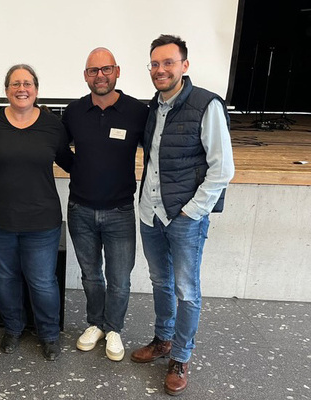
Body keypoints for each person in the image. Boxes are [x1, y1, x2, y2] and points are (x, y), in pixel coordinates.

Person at [131, 34, 235, 396]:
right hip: (151, 214)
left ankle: (181, 356)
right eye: (155, 64)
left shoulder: (206, 105)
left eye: (168, 63)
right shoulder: (153, 107)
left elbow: (222, 169)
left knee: (186, 290)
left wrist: (192, 213)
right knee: (160, 282)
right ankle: (163, 339)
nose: (160, 70)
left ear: (184, 65)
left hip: (184, 218)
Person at [0, 64, 73, 361]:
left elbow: (70, 162)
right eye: (15, 84)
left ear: (36, 89)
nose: (22, 89)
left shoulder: (52, 125)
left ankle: (49, 334)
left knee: (42, 281)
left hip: (41, 222)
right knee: (6, 278)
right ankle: (13, 329)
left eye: (27, 83)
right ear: (6, 90)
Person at [62, 47, 148, 361]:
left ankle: (113, 328)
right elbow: (59, 149)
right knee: (90, 275)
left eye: (106, 69)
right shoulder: (73, 111)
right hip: (80, 209)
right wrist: (80, 169)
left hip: (120, 211)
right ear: (86, 76)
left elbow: (154, 153)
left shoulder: (137, 112)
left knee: (120, 278)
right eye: (93, 70)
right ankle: (95, 323)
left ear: (117, 71)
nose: (100, 76)